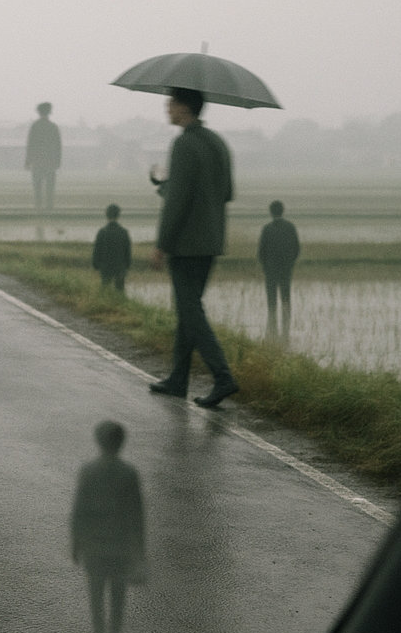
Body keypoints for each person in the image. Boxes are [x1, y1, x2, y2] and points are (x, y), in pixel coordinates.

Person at [148, 87, 239, 408]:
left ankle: (223, 376)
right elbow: (226, 192)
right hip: (211, 240)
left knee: (190, 311)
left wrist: (162, 245)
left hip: (186, 243)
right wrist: (169, 185)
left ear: (184, 107)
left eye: (171, 103)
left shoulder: (184, 143)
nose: (166, 108)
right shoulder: (218, 143)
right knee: (189, 310)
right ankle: (178, 379)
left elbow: (178, 202)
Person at [70, 420, 146, 633]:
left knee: (95, 593)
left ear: (98, 441)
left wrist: (75, 543)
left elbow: (78, 510)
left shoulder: (89, 471)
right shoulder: (129, 473)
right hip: (120, 546)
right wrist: (140, 552)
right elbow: (137, 514)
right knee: (118, 594)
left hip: (94, 547)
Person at [258, 200, 300, 341]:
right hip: (286, 269)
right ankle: (286, 332)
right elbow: (296, 248)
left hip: (270, 270)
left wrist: (265, 266)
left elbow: (261, 252)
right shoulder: (290, 227)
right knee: (286, 300)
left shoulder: (267, 229)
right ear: (283, 211)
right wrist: (290, 263)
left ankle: (271, 331)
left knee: (272, 303)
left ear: (271, 212)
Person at [25, 102, 62, 211]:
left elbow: (30, 145)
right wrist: (58, 163)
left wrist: (28, 161)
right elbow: (58, 147)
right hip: (51, 163)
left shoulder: (35, 126)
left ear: (39, 112)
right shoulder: (53, 127)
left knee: (37, 187)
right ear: (49, 112)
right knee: (50, 187)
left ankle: (38, 206)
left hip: (37, 162)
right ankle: (49, 207)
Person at [92, 204, 132, 292]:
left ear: (106, 215)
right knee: (120, 291)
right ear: (118, 215)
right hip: (120, 267)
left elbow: (97, 251)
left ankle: (103, 305)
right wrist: (127, 266)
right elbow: (127, 252)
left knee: (104, 289)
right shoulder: (123, 232)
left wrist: (96, 265)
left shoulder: (102, 232)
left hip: (105, 267)